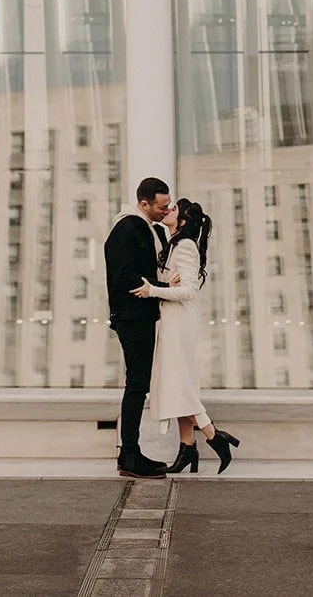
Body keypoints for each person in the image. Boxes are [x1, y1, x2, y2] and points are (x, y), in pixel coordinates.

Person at [133, 198, 240, 474]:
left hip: (180, 321)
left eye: (173, 209)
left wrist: (152, 291)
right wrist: (163, 285)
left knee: (179, 383)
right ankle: (187, 448)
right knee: (177, 382)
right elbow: (174, 283)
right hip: (171, 319)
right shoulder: (174, 245)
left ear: (182, 221)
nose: (167, 210)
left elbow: (189, 290)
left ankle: (214, 435)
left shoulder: (186, 246)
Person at [104, 176, 176, 478]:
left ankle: (131, 453)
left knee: (138, 384)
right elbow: (124, 275)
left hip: (137, 316)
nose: (165, 210)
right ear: (144, 203)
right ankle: (129, 455)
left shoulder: (142, 227)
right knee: (136, 385)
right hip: (133, 317)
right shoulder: (128, 227)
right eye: (161, 206)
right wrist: (158, 288)